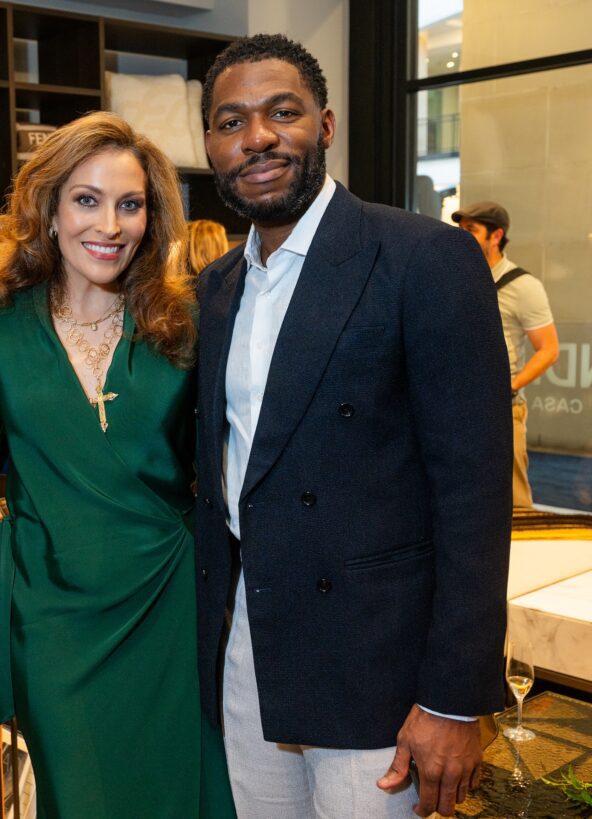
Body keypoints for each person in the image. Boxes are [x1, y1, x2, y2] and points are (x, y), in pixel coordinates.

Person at [194, 35, 512, 819]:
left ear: (326, 125)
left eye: (282, 112)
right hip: (251, 649)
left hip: (379, 665)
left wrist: (454, 697)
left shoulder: (423, 258)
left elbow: (474, 497)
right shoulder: (217, 286)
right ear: (209, 145)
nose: (258, 137)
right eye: (231, 121)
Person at [0, 111, 234, 819]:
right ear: (48, 209)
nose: (109, 224)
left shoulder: (185, 321)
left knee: (184, 792)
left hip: (167, 603)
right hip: (54, 613)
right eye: (87, 199)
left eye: (130, 203)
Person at [452, 201, 559, 508]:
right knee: (464, 500)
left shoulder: (524, 286)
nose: (463, 235)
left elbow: (549, 350)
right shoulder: (456, 279)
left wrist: (509, 387)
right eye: (460, 229)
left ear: (496, 236)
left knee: (515, 503)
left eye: (471, 230)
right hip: (457, 408)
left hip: (504, 409)